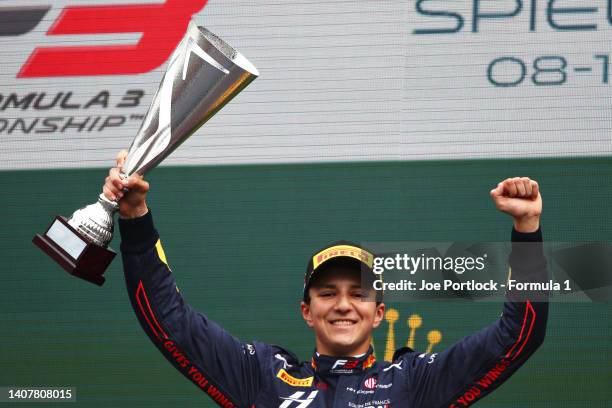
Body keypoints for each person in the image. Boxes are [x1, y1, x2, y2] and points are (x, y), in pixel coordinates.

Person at [105, 150, 548, 408]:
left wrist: (527, 232)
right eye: (327, 292)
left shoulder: (414, 383)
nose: (342, 304)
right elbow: (170, 322)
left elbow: (518, 337)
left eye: (358, 294)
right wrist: (135, 218)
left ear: (378, 314)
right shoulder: (262, 376)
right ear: (307, 310)